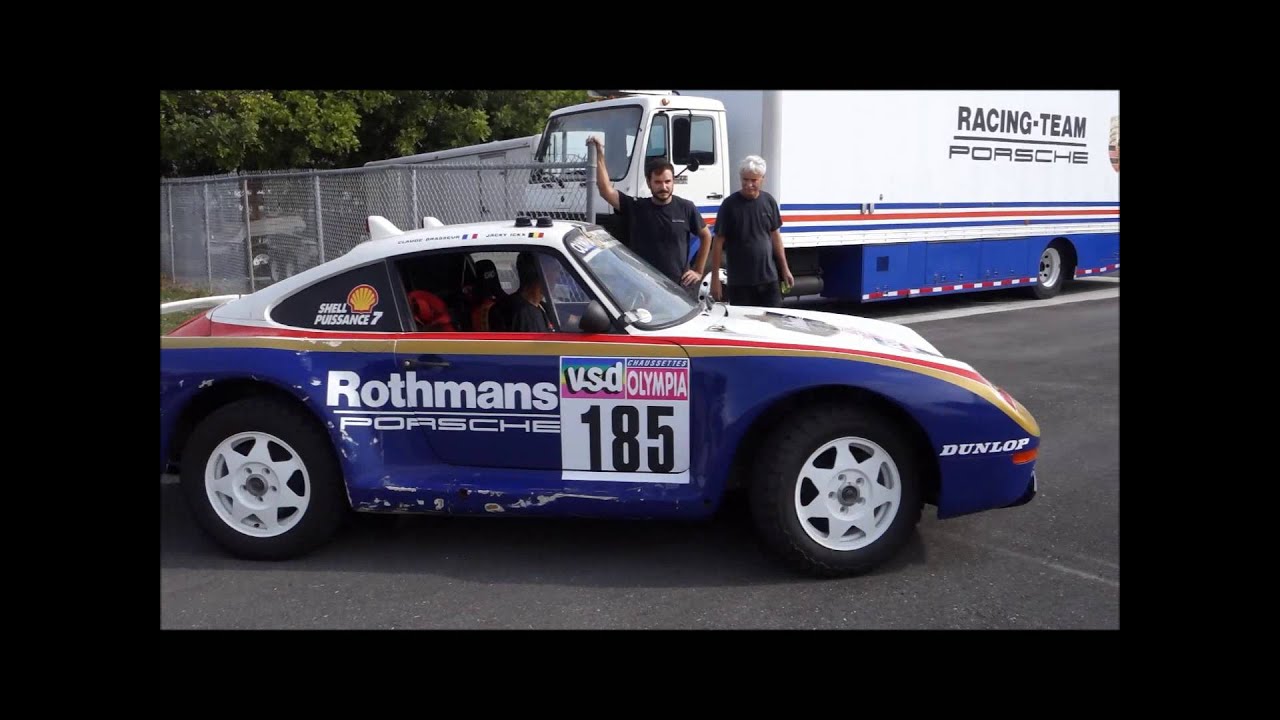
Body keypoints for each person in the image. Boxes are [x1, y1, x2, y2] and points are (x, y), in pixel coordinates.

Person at [587, 135, 712, 292]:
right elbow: (605, 190)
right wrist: (599, 153)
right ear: (649, 182)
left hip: (678, 290)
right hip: (642, 288)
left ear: (673, 181)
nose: (664, 187)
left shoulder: (686, 208)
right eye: (658, 182)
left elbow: (706, 236)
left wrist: (698, 271)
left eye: (667, 182)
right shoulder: (636, 207)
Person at [709, 155, 794, 307]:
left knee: (772, 321)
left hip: (769, 279)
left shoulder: (769, 201)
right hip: (740, 283)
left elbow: (775, 238)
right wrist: (715, 279)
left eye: (753, 180)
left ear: (762, 179)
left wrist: (785, 269)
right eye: (745, 180)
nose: (748, 184)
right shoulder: (729, 205)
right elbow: (717, 242)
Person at [493, 251, 556, 333]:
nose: (557, 277)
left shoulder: (540, 306)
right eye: (555, 270)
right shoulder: (525, 315)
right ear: (543, 274)